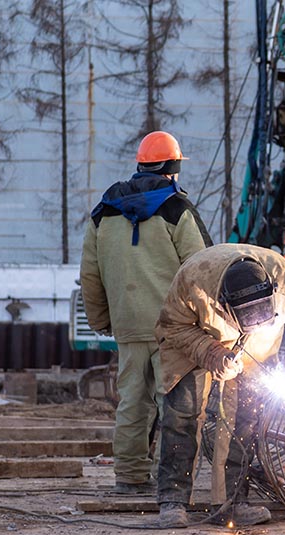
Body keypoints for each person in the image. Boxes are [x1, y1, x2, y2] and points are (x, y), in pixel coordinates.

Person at [79, 130, 212, 495]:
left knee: (132, 403)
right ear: (173, 168)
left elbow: (89, 275)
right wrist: (210, 326)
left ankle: (130, 477)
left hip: (129, 325)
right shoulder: (176, 209)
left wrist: (102, 320)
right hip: (176, 328)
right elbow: (200, 269)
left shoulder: (103, 212)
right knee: (177, 407)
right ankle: (169, 486)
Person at [154, 243, 285, 528]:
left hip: (257, 350)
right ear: (223, 303)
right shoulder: (194, 279)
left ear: (271, 291)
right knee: (184, 412)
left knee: (245, 419)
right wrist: (211, 353)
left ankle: (231, 502)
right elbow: (173, 326)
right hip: (195, 339)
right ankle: (173, 499)